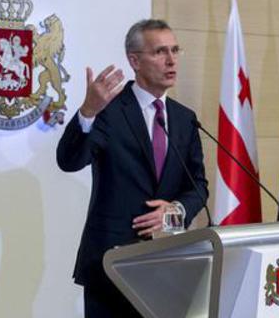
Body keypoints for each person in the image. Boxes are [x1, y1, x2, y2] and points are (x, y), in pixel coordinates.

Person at [56, 19, 208, 317]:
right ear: (134, 60)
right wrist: (88, 111)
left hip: (167, 265)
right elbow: (69, 161)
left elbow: (198, 186)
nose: (171, 60)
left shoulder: (184, 118)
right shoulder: (109, 109)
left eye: (175, 50)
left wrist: (175, 212)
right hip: (110, 265)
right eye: (160, 51)